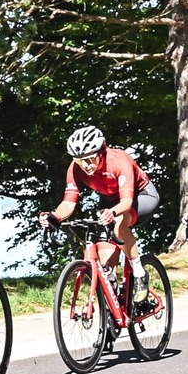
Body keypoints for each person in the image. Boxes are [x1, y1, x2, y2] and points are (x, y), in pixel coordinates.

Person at [47, 124, 159, 294]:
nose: (85, 165)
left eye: (90, 159)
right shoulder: (75, 168)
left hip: (140, 196)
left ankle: (139, 273)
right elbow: (69, 203)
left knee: (119, 222)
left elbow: (126, 202)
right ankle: (114, 307)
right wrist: (55, 216)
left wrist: (113, 213)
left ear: (102, 151)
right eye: (79, 160)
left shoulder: (119, 161)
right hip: (109, 201)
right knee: (106, 268)